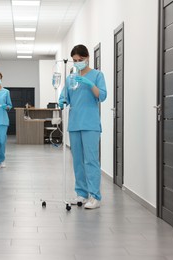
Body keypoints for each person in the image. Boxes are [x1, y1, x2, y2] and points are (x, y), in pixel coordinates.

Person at [59, 44, 107, 209]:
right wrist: (62, 100)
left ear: (87, 58)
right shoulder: (70, 78)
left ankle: (95, 196)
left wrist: (89, 83)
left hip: (90, 124)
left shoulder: (97, 75)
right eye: (75, 60)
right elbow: (65, 96)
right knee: (78, 161)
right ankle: (81, 193)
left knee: (91, 161)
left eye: (80, 60)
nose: (78, 62)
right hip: (75, 124)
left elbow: (102, 96)